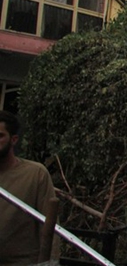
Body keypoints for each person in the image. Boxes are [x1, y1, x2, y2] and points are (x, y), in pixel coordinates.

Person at [0, 111, 58, 265]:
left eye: (0, 136)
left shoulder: (35, 174)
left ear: (13, 140)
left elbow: (51, 228)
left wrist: (49, 262)